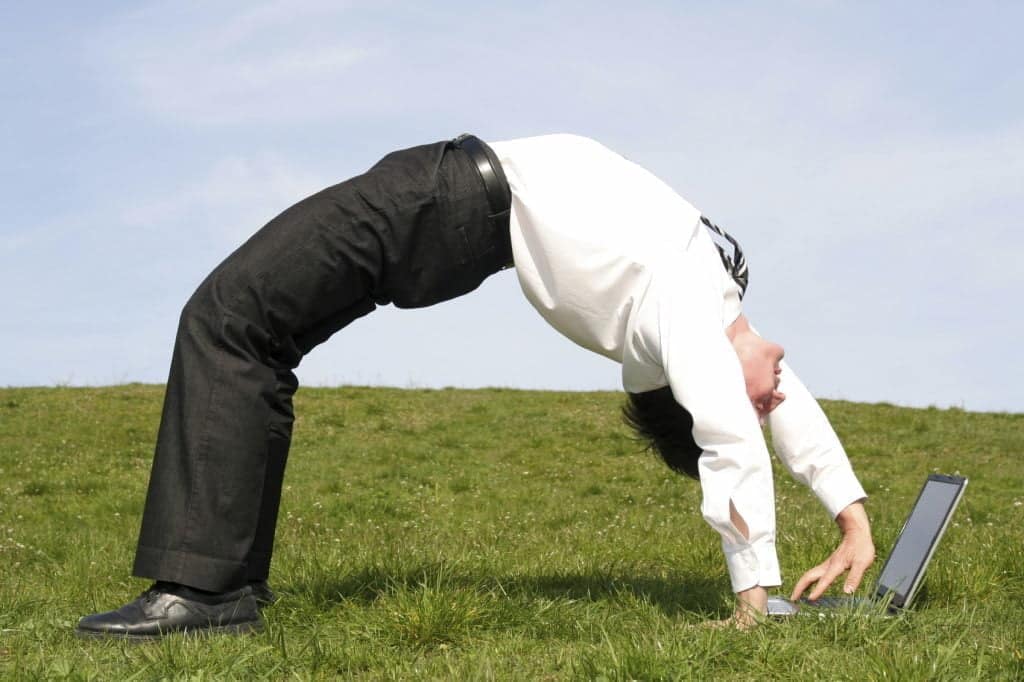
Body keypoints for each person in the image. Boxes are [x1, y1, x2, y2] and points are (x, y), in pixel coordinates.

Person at [77, 133, 875, 638]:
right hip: (454, 199)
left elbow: (733, 437)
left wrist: (752, 595)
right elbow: (776, 403)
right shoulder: (721, 312)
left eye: (761, 398)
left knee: (227, 315)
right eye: (771, 393)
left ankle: (204, 592)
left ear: (708, 389)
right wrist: (853, 520)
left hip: (445, 197)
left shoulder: (694, 326)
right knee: (257, 335)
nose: (778, 390)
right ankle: (228, 585)